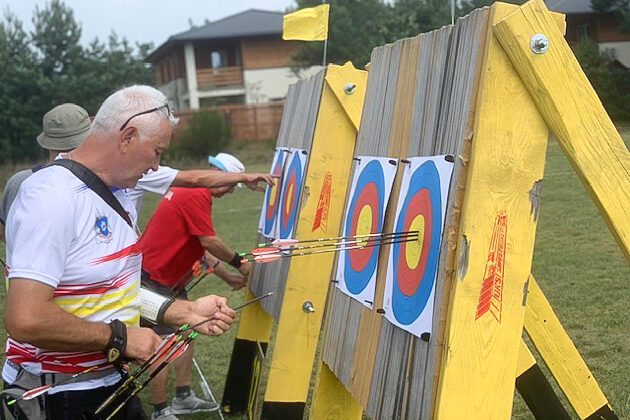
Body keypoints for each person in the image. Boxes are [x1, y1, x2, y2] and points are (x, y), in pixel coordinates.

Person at [2, 85, 237, 419]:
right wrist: (120, 339)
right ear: (127, 137)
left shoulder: (119, 195)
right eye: (157, 151)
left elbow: (108, 292)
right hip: (60, 397)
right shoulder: (52, 196)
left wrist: (183, 312)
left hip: (111, 384)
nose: (157, 166)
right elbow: (25, 319)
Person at [0, 104, 275, 240]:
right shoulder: (124, 167)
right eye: (156, 154)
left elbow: (6, 233)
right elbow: (193, 178)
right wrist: (244, 176)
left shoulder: (20, 181)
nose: (153, 166)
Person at [139, 153, 252, 420]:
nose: (230, 193)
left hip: (170, 280)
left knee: (187, 335)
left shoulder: (194, 193)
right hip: (154, 279)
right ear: (218, 176)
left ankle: (183, 397)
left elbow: (199, 245)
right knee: (162, 344)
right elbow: (209, 240)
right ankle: (159, 410)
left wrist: (227, 277)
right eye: (229, 185)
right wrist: (240, 263)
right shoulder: (196, 193)